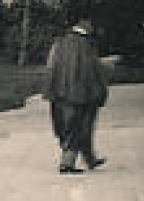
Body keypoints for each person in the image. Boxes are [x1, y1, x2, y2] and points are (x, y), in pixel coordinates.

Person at [45, 19, 109, 174]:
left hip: (60, 93)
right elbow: (94, 70)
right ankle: (67, 164)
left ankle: (90, 159)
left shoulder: (59, 43)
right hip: (83, 94)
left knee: (68, 127)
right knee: (81, 127)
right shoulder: (87, 45)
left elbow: (50, 67)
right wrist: (101, 91)